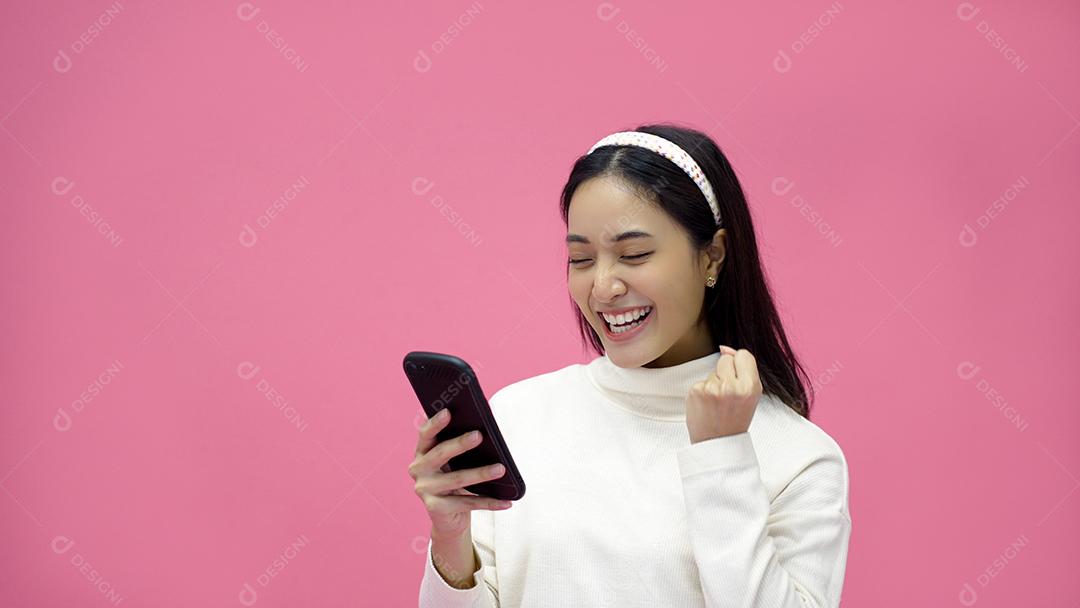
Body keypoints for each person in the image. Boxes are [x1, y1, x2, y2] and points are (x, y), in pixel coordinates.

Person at [409, 123, 852, 607]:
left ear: (713, 256)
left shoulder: (800, 459)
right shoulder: (519, 415)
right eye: (581, 259)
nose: (603, 288)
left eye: (634, 254)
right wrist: (451, 540)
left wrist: (721, 455)